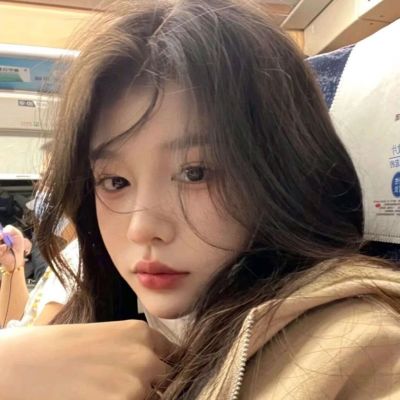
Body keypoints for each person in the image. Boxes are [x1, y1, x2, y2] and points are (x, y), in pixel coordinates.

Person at [1, 0, 400, 399]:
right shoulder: (102, 316)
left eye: (195, 173)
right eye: (115, 181)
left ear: (281, 171)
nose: (142, 229)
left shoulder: (357, 348)